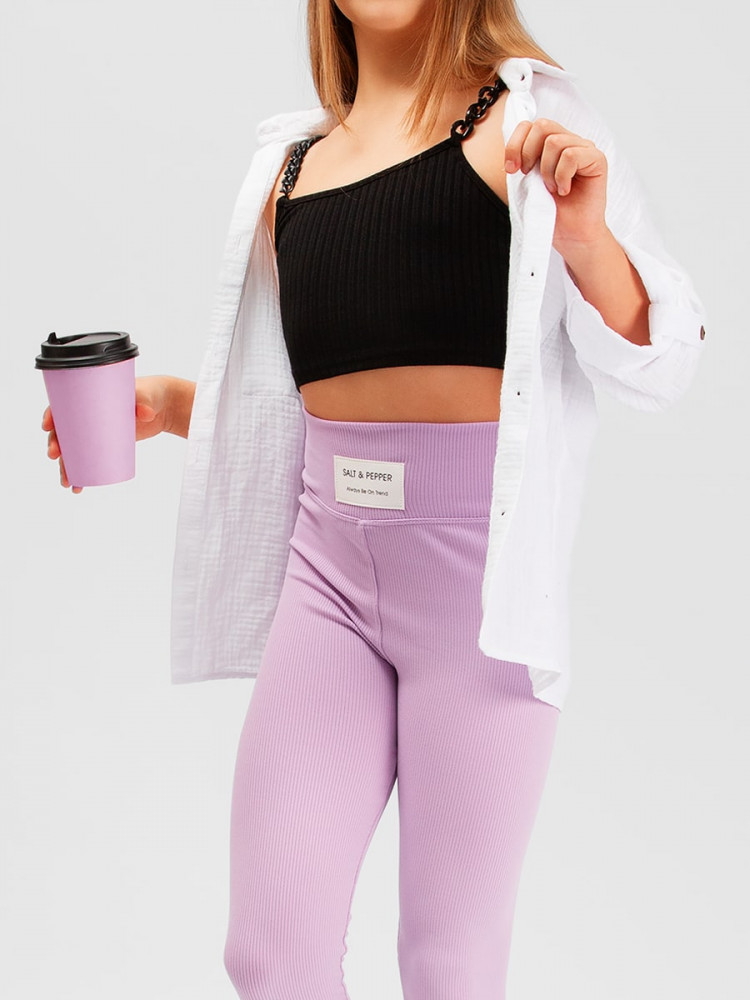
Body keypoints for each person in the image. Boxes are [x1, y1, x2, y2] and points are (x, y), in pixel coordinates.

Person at [41, 1, 708, 997]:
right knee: (270, 951)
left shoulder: (532, 126)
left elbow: (665, 365)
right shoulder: (289, 170)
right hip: (329, 576)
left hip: (479, 595)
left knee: (448, 964)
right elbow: (303, 403)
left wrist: (588, 241)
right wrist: (173, 405)